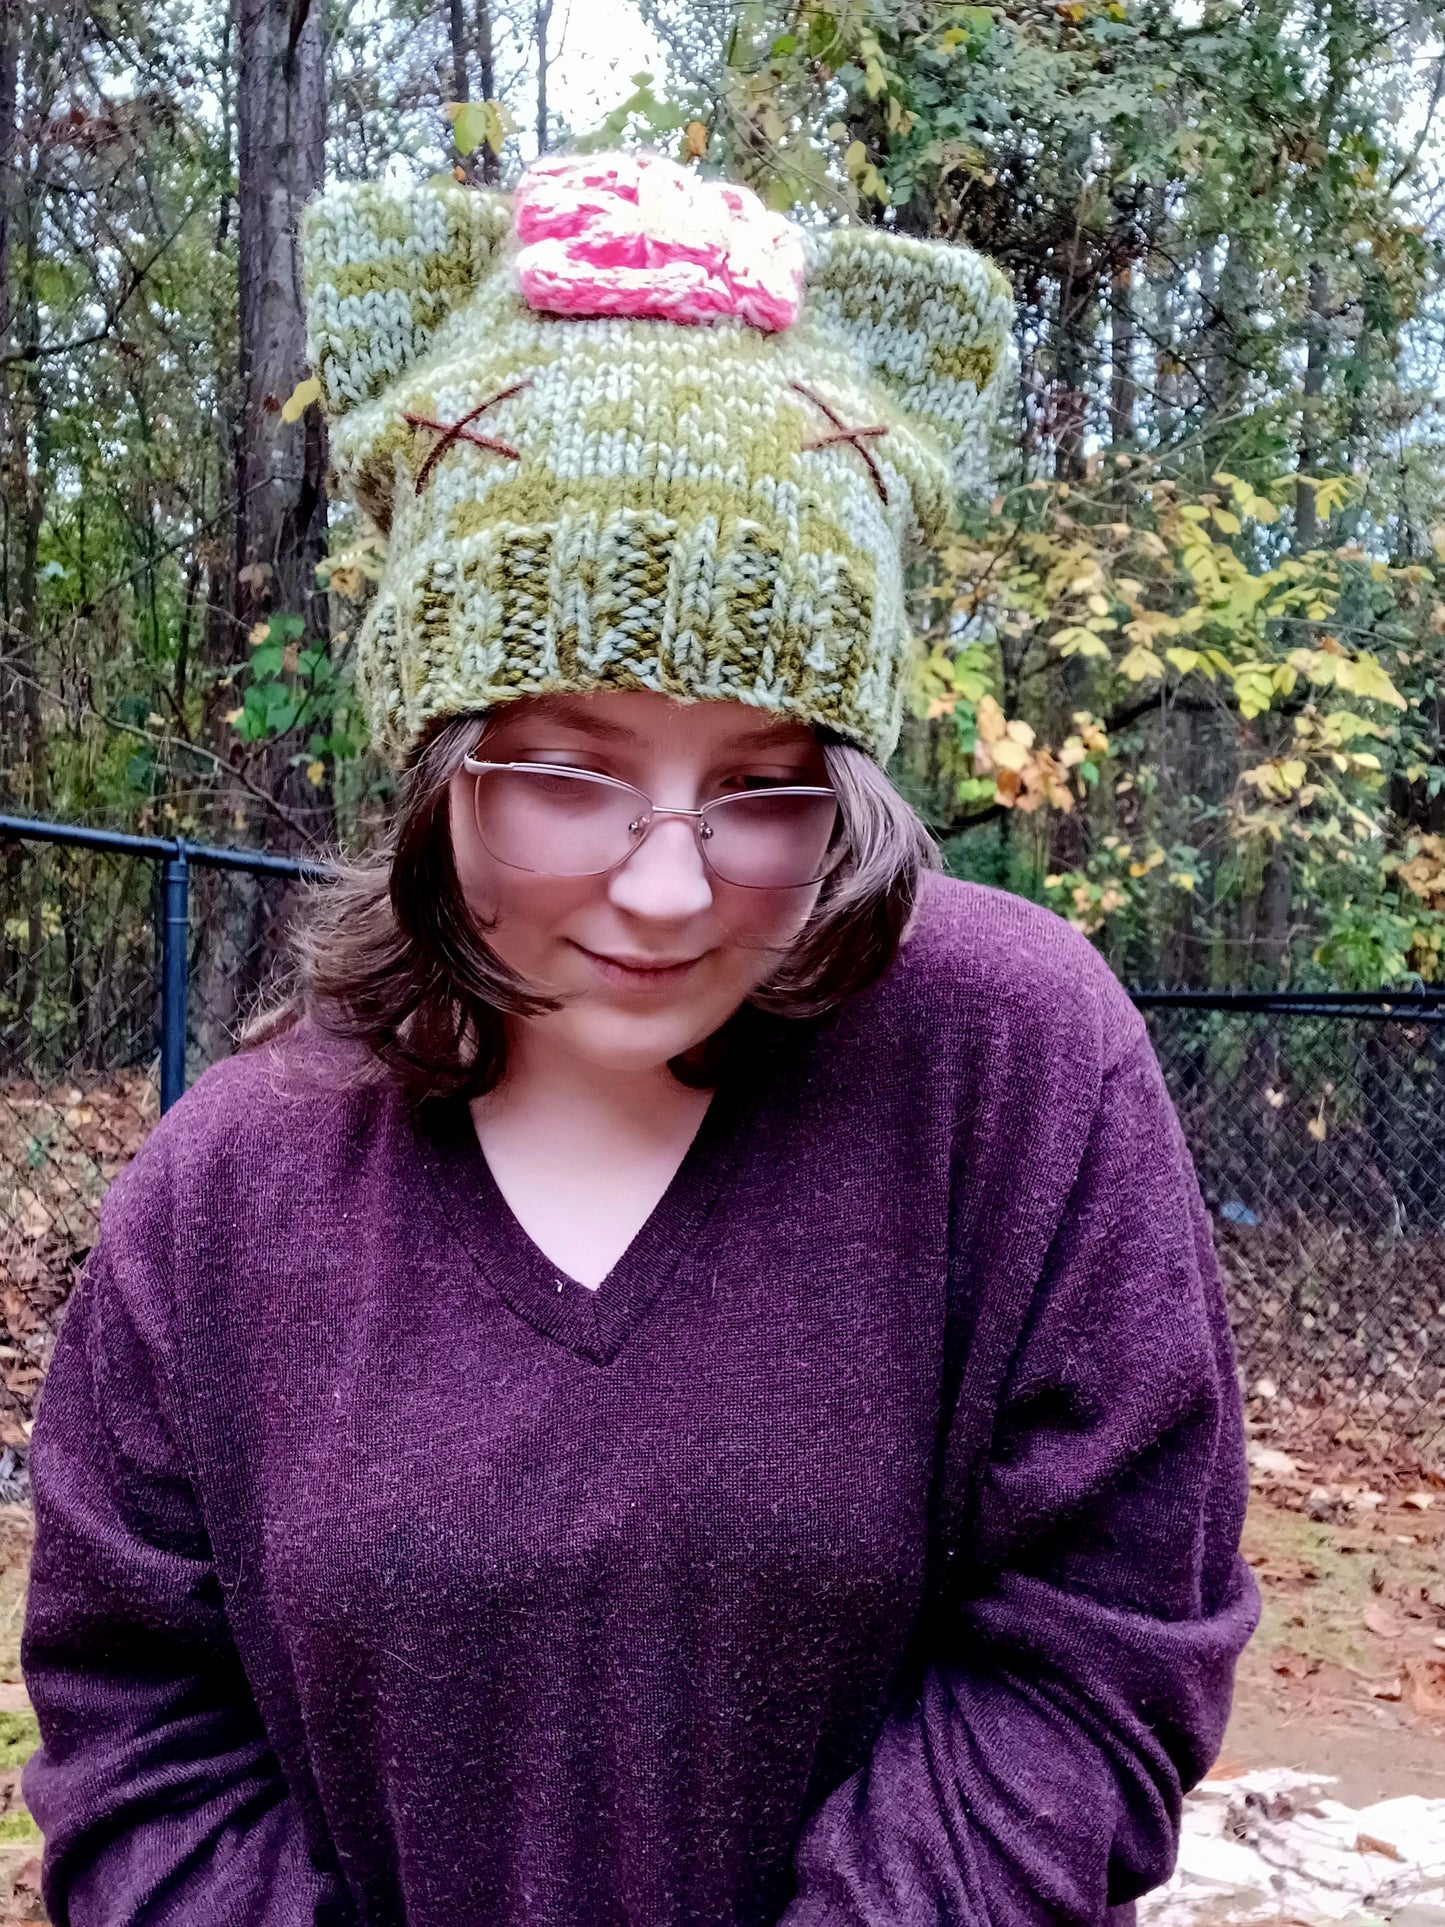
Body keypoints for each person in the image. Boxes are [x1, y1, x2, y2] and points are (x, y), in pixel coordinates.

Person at [20, 152, 1257, 1927]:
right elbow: (141, 1740)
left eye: (764, 788)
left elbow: (1100, 1645)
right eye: (567, 769)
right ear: (436, 756)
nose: (668, 888)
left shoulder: (1014, 1069)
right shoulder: (231, 1197)